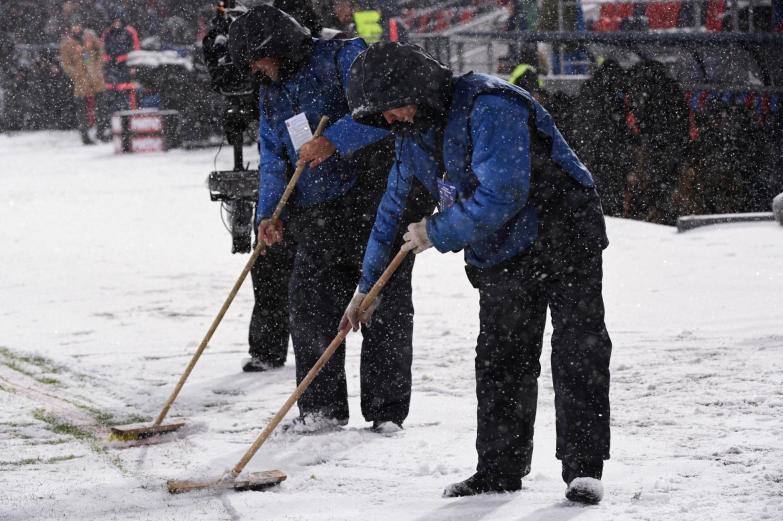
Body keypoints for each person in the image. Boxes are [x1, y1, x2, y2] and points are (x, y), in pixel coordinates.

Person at [344, 42, 612, 503]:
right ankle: (499, 468)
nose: (387, 119)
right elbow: (391, 213)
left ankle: (583, 468)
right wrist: (366, 289)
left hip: (564, 228)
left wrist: (437, 230)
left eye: (389, 108)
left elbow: (505, 190)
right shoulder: (412, 132)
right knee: (500, 353)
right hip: (501, 243)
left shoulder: (491, 104)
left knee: (577, 346)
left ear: (415, 89)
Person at [228, 7, 433, 431]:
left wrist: (334, 140)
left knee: (383, 301)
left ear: (275, 47)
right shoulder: (271, 91)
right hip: (320, 212)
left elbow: (387, 115)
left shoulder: (344, 57)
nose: (252, 68)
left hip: (378, 198)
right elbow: (273, 158)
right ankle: (320, 410)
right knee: (309, 303)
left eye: (254, 57)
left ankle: (386, 412)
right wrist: (269, 213)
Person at [60, 14, 105, 144]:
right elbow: (66, 63)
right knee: (82, 109)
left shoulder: (90, 35)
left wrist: (98, 67)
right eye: (74, 25)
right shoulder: (66, 42)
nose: (76, 28)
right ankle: (85, 136)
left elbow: (100, 51)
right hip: (81, 79)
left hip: (95, 76)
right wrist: (76, 74)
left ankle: (101, 132)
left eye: (78, 25)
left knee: (101, 106)